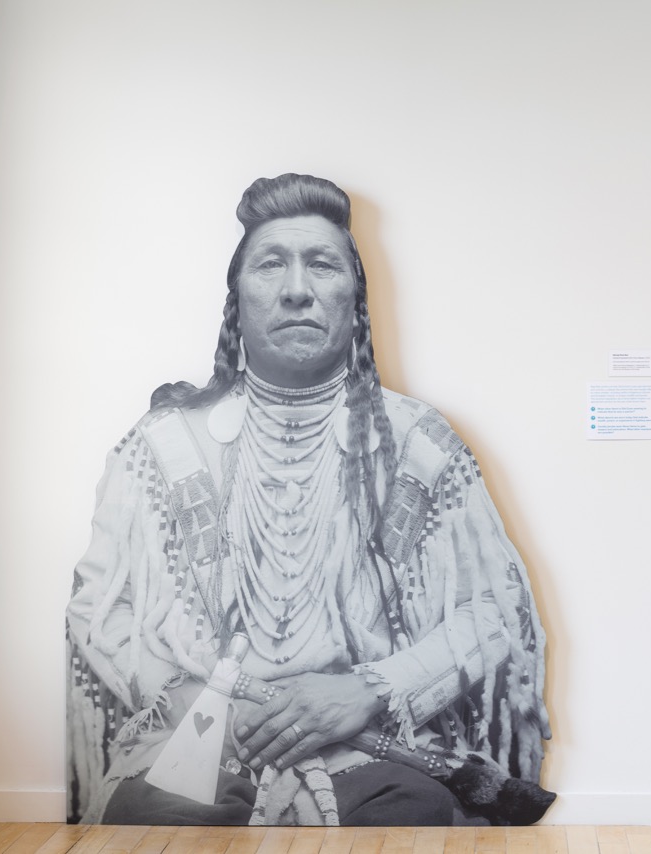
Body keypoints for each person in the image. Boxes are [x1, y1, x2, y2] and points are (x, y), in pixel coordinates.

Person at [66, 174, 551, 827]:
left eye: (321, 264)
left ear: (355, 298)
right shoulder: (163, 445)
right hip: (199, 740)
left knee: (413, 816)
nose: (297, 288)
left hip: (369, 750)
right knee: (158, 821)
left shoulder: (418, 444)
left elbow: (495, 610)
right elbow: (99, 607)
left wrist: (369, 689)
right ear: (237, 298)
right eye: (271, 264)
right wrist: (189, 696)